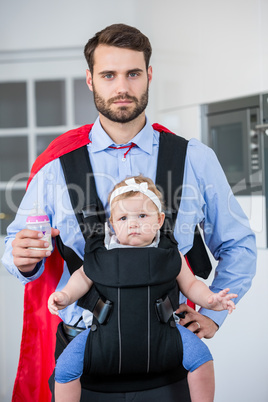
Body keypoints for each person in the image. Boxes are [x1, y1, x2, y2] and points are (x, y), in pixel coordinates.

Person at [2, 23, 256, 401]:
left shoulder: (194, 159)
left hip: (170, 362)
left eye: (133, 73)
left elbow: (239, 244)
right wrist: (22, 259)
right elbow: (15, 249)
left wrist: (214, 313)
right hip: (82, 364)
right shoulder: (56, 169)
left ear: (149, 75)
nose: (122, 87)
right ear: (90, 79)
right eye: (108, 75)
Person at [48, 175, 238, 402]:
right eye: (123, 218)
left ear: (159, 220)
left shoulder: (170, 255)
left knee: (202, 360)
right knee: (65, 369)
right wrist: (65, 296)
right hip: (102, 336)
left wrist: (210, 301)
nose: (133, 223)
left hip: (165, 333)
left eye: (142, 215)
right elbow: (81, 279)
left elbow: (191, 285)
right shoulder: (100, 256)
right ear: (112, 224)